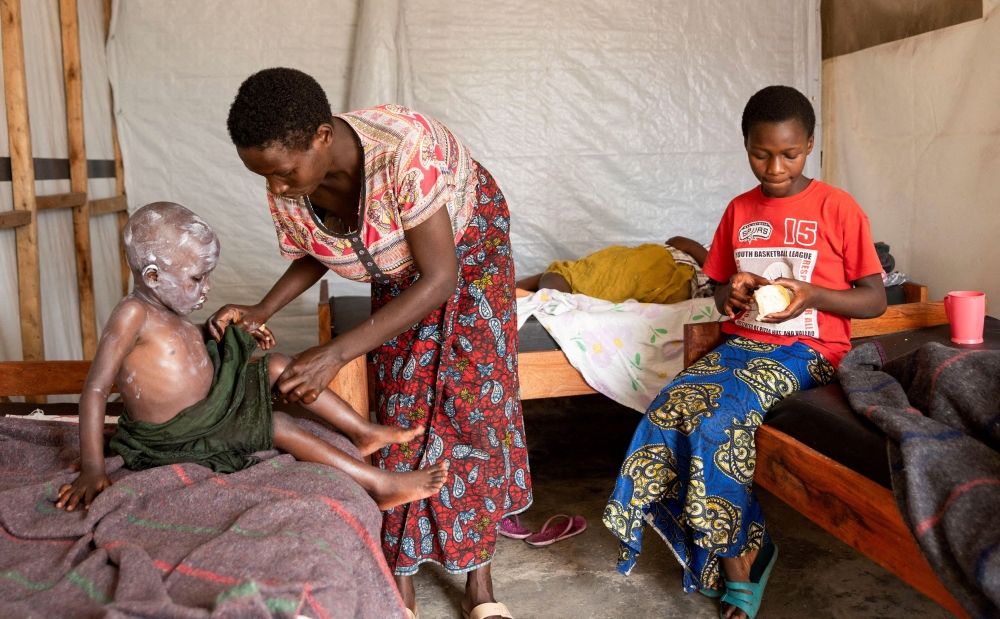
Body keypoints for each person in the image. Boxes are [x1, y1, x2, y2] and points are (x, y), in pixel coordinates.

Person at [211, 69, 529, 619]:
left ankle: (480, 584)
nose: (278, 188)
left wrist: (337, 352)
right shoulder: (288, 177)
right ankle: (399, 583)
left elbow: (439, 279)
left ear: (321, 136)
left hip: (468, 252)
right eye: (265, 177)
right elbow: (320, 244)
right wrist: (263, 309)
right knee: (402, 405)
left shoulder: (407, 151)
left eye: (285, 173)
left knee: (476, 403)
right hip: (396, 261)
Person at [603, 86, 886, 619]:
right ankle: (746, 542)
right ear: (746, 145)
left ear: (810, 146)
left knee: (716, 418)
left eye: (790, 154)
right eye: (761, 154)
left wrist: (815, 294)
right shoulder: (739, 209)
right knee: (666, 412)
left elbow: (874, 298)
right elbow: (715, 289)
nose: (775, 167)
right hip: (743, 346)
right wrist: (728, 294)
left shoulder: (837, 208)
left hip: (810, 350)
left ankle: (738, 563)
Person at [55, 203, 448, 515]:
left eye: (208, 276)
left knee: (277, 363)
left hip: (212, 405)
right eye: (197, 279)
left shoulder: (167, 306)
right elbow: (96, 389)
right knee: (278, 424)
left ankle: (363, 431)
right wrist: (93, 467)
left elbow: (179, 352)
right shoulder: (132, 314)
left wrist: (216, 330)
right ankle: (379, 484)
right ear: (154, 277)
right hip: (179, 435)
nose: (206, 288)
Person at [516, 236, 714, 304]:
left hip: (677, 288)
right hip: (661, 263)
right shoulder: (718, 256)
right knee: (590, 279)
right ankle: (521, 292)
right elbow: (678, 242)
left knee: (586, 283)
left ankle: (526, 293)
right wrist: (718, 270)